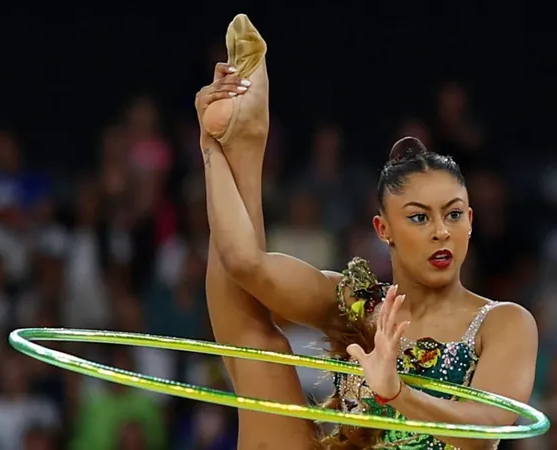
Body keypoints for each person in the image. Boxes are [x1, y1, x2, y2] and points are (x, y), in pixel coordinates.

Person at [195, 14, 538, 450]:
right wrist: (212, 148)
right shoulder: (357, 303)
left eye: (453, 215)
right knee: (255, 345)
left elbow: (486, 431)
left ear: (471, 220)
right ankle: (246, 142)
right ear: (383, 228)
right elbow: (245, 264)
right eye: (418, 217)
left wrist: (397, 393)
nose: (440, 232)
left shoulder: (504, 322)